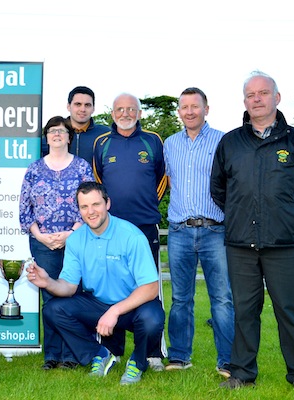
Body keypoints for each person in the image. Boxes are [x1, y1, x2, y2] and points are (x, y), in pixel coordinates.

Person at [212, 71, 294, 399]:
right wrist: (238, 215)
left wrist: (291, 219)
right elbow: (219, 188)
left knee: (289, 312)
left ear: (277, 97)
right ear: (244, 101)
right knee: (245, 311)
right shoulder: (231, 142)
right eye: (251, 95)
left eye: (263, 93)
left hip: (284, 245)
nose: (257, 99)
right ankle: (242, 374)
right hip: (240, 244)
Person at [26, 181, 165, 385]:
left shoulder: (131, 236)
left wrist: (115, 311)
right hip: (98, 304)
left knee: (153, 318)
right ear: (79, 209)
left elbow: (151, 288)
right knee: (53, 309)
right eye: (84, 207)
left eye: (96, 204)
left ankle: (138, 361)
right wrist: (47, 282)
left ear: (107, 203)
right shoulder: (75, 240)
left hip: (133, 305)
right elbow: (68, 286)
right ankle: (99, 354)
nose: (90, 212)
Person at [92, 92, 167, 369]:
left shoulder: (153, 141)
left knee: (150, 288)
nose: (125, 113)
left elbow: (161, 179)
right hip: (111, 229)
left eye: (131, 109)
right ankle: (113, 348)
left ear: (139, 113)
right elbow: (99, 181)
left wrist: (146, 206)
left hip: (146, 225)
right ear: (112, 114)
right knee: (114, 286)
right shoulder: (102, 143)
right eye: (120, 109)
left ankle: (152, 352)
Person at [163, 87, 234, 377]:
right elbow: (161, 181)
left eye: (195, 106)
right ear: (179, 111)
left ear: (207, 108)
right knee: (181, 298)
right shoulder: (169, 144)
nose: (189, 111)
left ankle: (228, 361)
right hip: (179, 230)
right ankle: (179, 356)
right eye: (184, 107)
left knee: (222, 297)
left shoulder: (223, 141)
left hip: (215, 230)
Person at [19, 116, 94, 370]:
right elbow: (24, 209)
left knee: (74, 297)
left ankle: (72, 355)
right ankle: (51, 355)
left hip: (76, 239)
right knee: (49, 298)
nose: (57, 134)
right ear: (46, 137)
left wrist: (72, 232)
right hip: (42, 243)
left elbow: (91, 203)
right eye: (52, 131)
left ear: (69, 136)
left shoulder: (82, 167)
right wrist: (40, 236)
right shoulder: (34, 169)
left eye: (62, 130)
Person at [41, 86, 110, 163]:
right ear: (68, 106)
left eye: (87, 105)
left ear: (93, 108)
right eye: (78, 104)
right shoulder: (53, 136)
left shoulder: (106, 135)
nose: (82, 109)